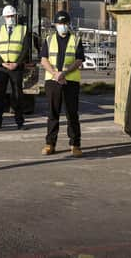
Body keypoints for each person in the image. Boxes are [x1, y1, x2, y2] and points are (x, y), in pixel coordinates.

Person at [40, 10, 85, 158]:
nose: (62, 26)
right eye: (60, 23)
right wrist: (55, 74)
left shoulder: (76, 40)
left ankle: (75, 144)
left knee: (72, 114)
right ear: (55, 24)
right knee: (53, 113)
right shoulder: (48, 39)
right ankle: (50, 144)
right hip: (53, 81)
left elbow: (79, 60)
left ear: (69, 24)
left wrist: (63, 74)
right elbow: (44, 60)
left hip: (70, 81)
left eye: (65, 23)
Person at [0, 5, 30, 130]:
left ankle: (19, 122)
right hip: (2, 67)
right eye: (8, 16)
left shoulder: (23, 30)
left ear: (16, 16)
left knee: (18, 95)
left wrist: (17, 63)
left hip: (16, 67)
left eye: (12, 16)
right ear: (3, 17)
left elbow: (25, 49)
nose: (10, 18)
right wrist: (1, 63)